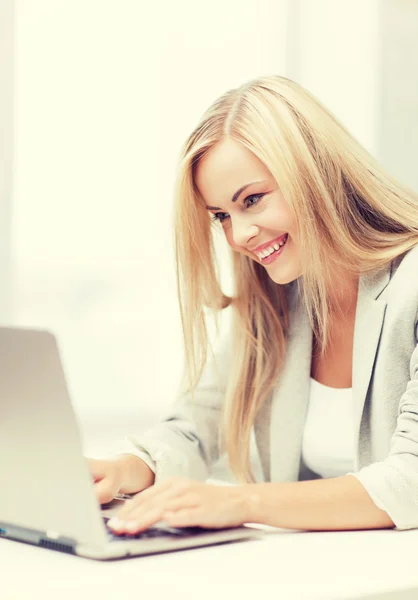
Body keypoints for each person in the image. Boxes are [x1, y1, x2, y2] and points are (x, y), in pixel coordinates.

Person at [88, 74, 418, 535]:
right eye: (222, 216)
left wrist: (240, 502)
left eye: (253, 200)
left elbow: (411, 480)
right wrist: (128, 467)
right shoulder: (278, 301)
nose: (238, 236)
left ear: (315, 172)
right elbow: (193, 427)